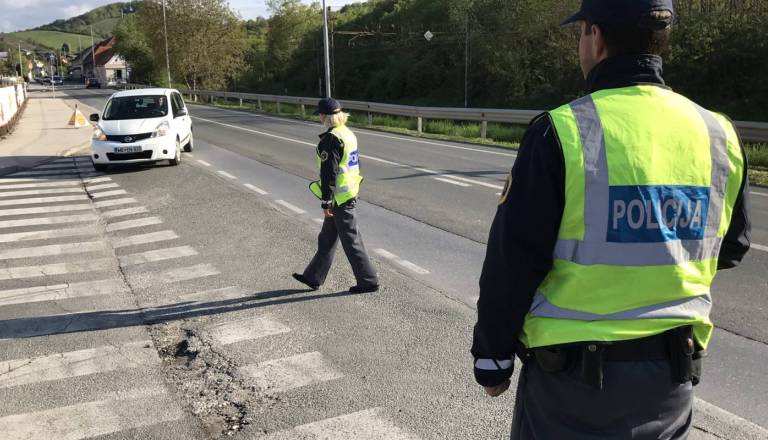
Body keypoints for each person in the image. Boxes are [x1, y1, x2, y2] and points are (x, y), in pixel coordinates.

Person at [471, 1, 751, 438]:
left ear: (595, 37)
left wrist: (493, 358)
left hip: (571, 392)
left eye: (581, 31)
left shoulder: (562, 131)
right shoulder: (718, 133)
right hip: (670, 380)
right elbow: (731, 248)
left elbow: (513, 263)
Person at [293, 98, 379, 294]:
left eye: (320, 115)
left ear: (324, 116)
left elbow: (328, 174)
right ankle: (313, 276)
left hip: (339, 198)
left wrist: (326, 202)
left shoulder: (331, 139)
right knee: (327, 238)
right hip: (348, 192)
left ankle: (368, 281)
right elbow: (355, 164)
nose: (319, 117)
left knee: (351, 239)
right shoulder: (347, 133)